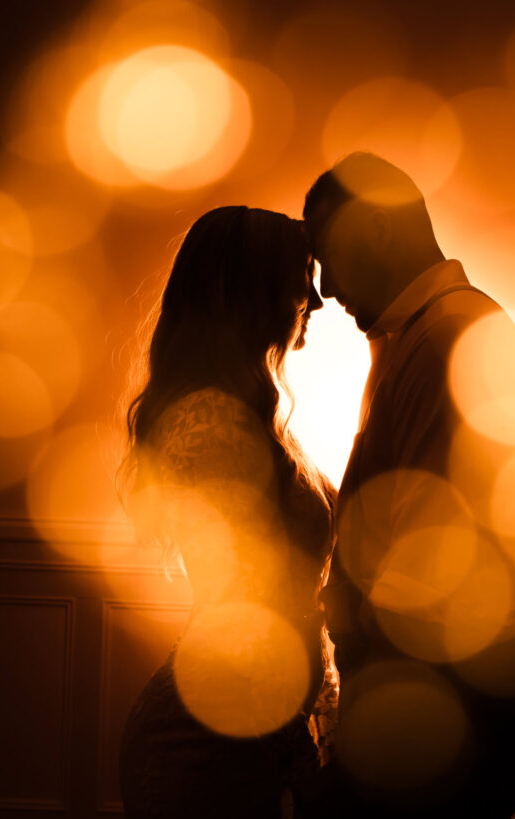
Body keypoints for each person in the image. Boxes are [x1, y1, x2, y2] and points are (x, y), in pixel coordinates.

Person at [301, 153, 515, 818]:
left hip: (443, 707)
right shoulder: (427, 333)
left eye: (326, 253)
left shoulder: (446, 338)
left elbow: (428, 567)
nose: (323, 287)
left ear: (377, 232)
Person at [117, 206, 339, 819]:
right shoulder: (207, 422)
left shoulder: (249, 415)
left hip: (247, 735)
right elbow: (244, 604)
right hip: (199, 745)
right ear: (251, 289)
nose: (316, 302)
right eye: (303, 278)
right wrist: (299, 756)